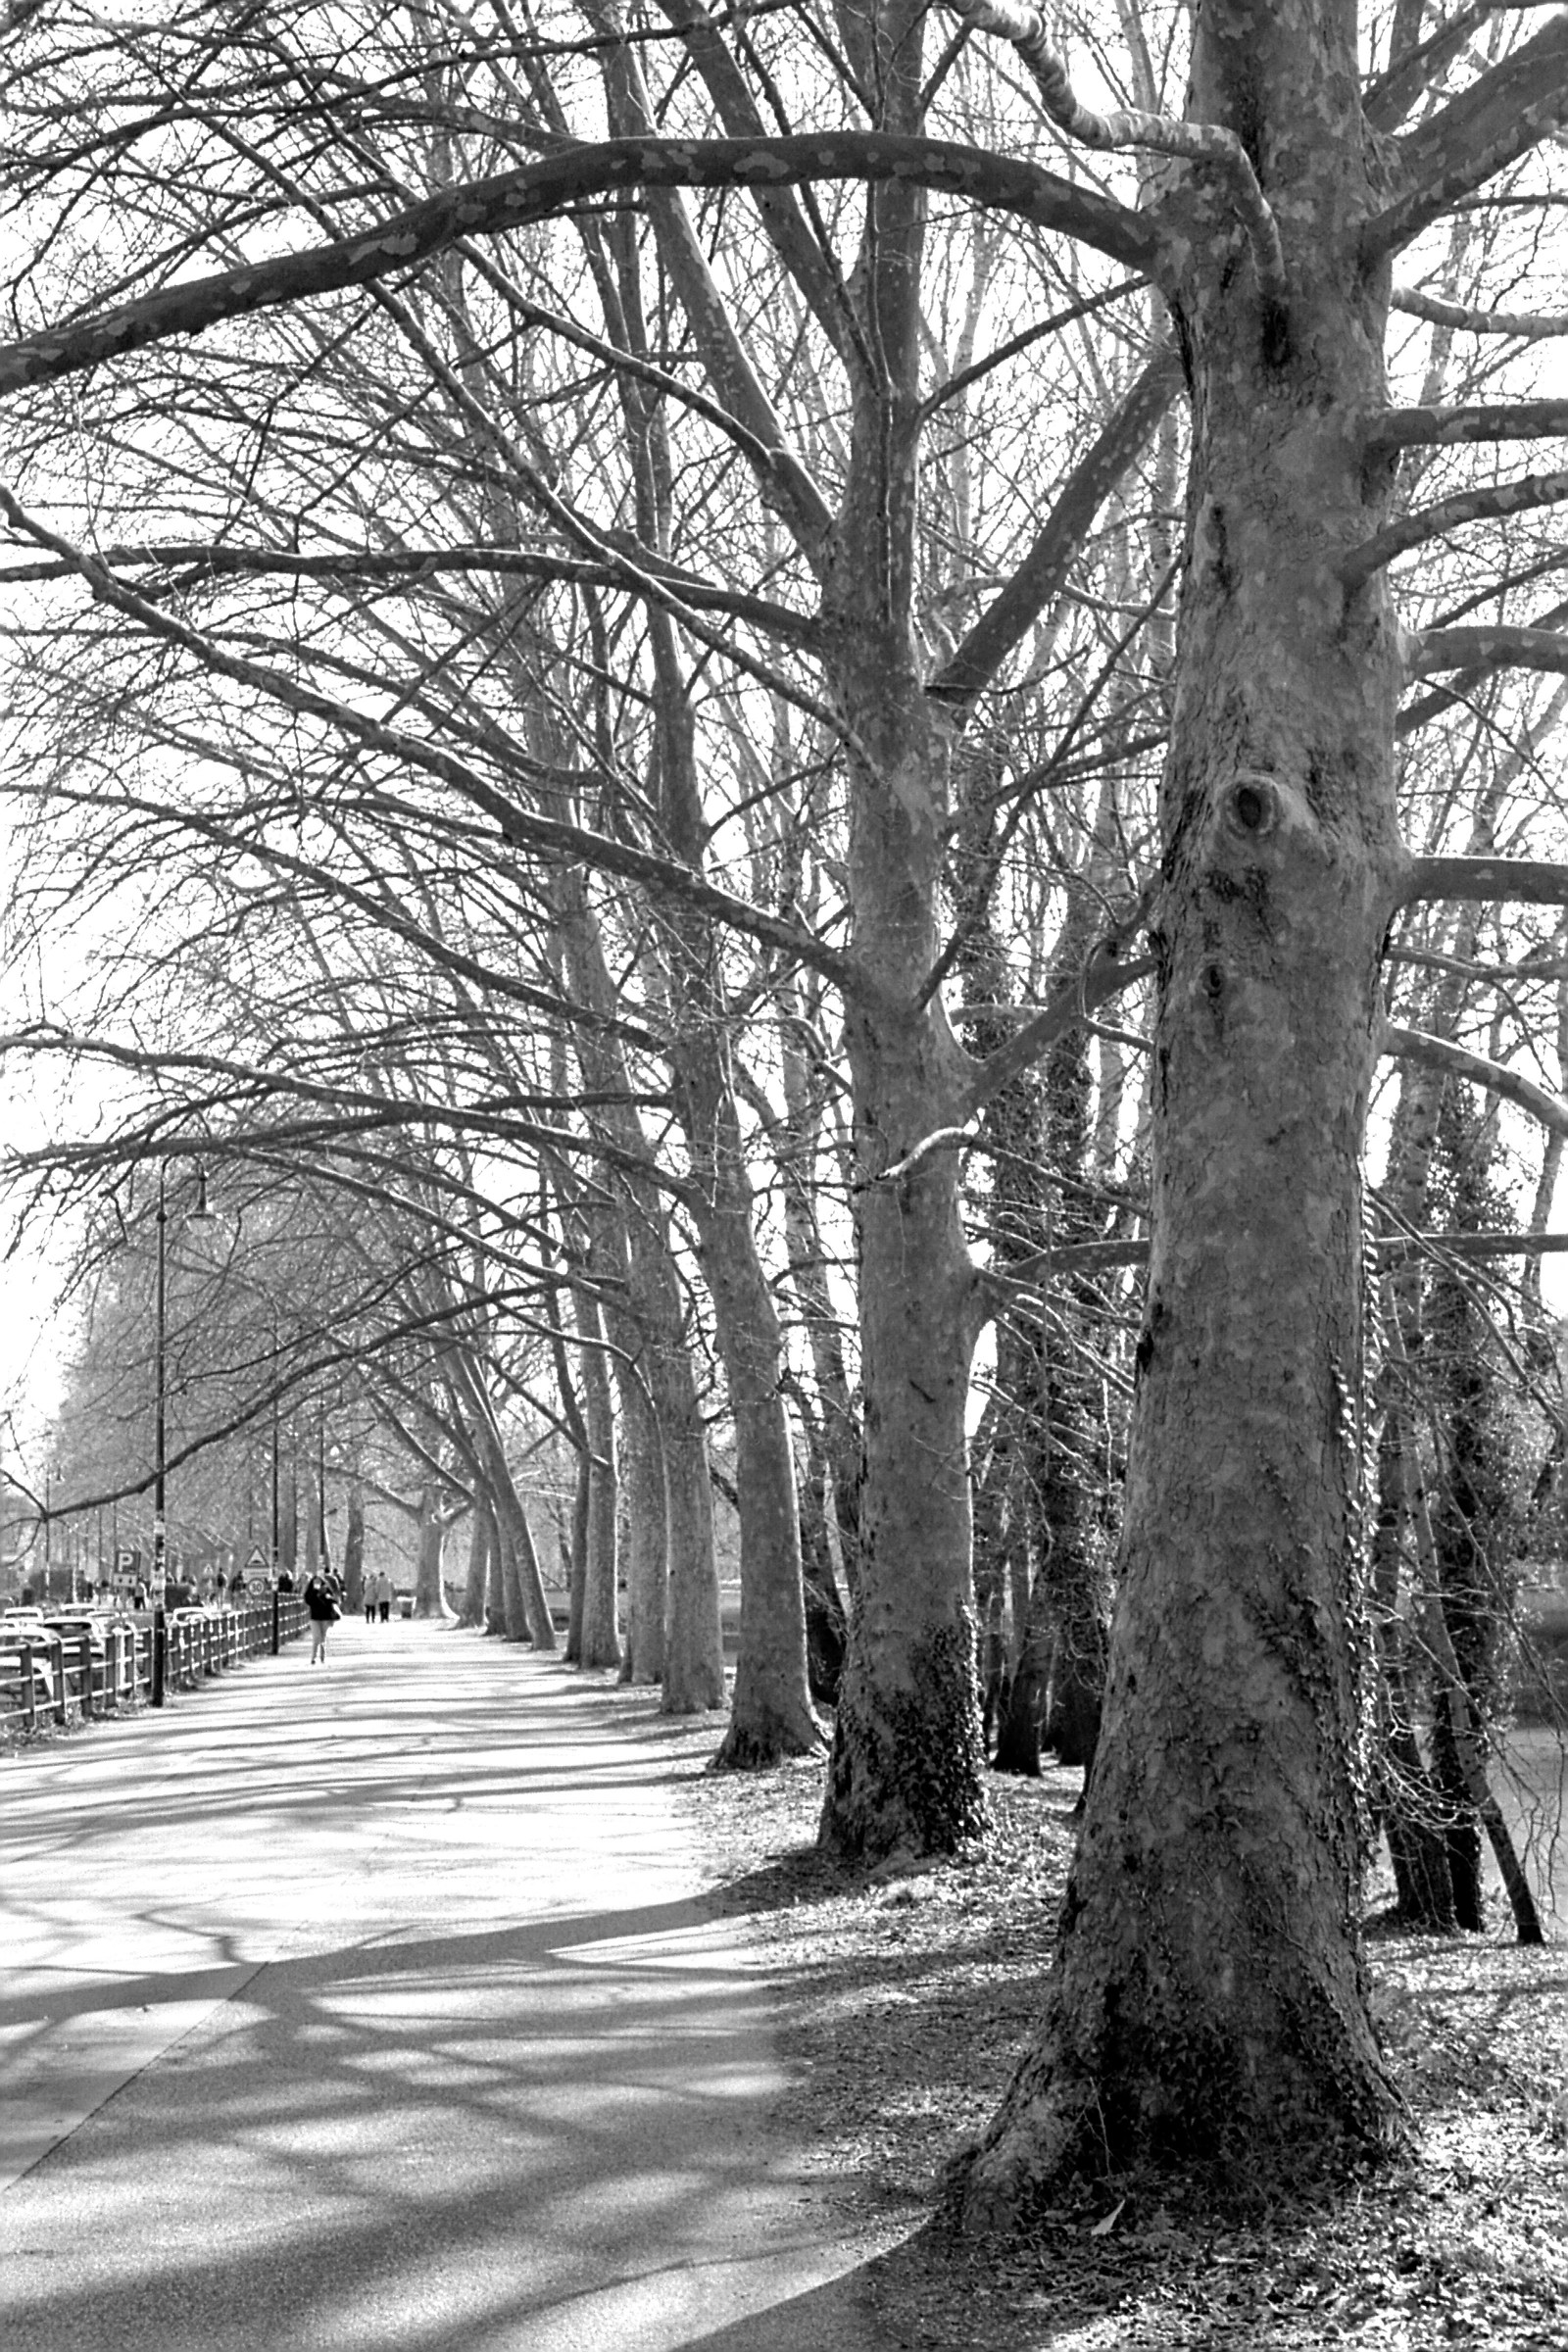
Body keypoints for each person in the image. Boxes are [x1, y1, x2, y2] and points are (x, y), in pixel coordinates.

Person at [303, 1568, 341, 1664]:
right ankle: (313, 1657)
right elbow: (309, 1600)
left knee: (323, 1637)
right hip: (314, 1617)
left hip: (325, 1616)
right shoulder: (311, 1591)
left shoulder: (326, 1588)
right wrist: (315, 1591)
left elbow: (333, 1600)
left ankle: (322, 1656)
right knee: (316, 1638)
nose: (317, 1583)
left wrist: (328, 1597)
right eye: (316, 1582)